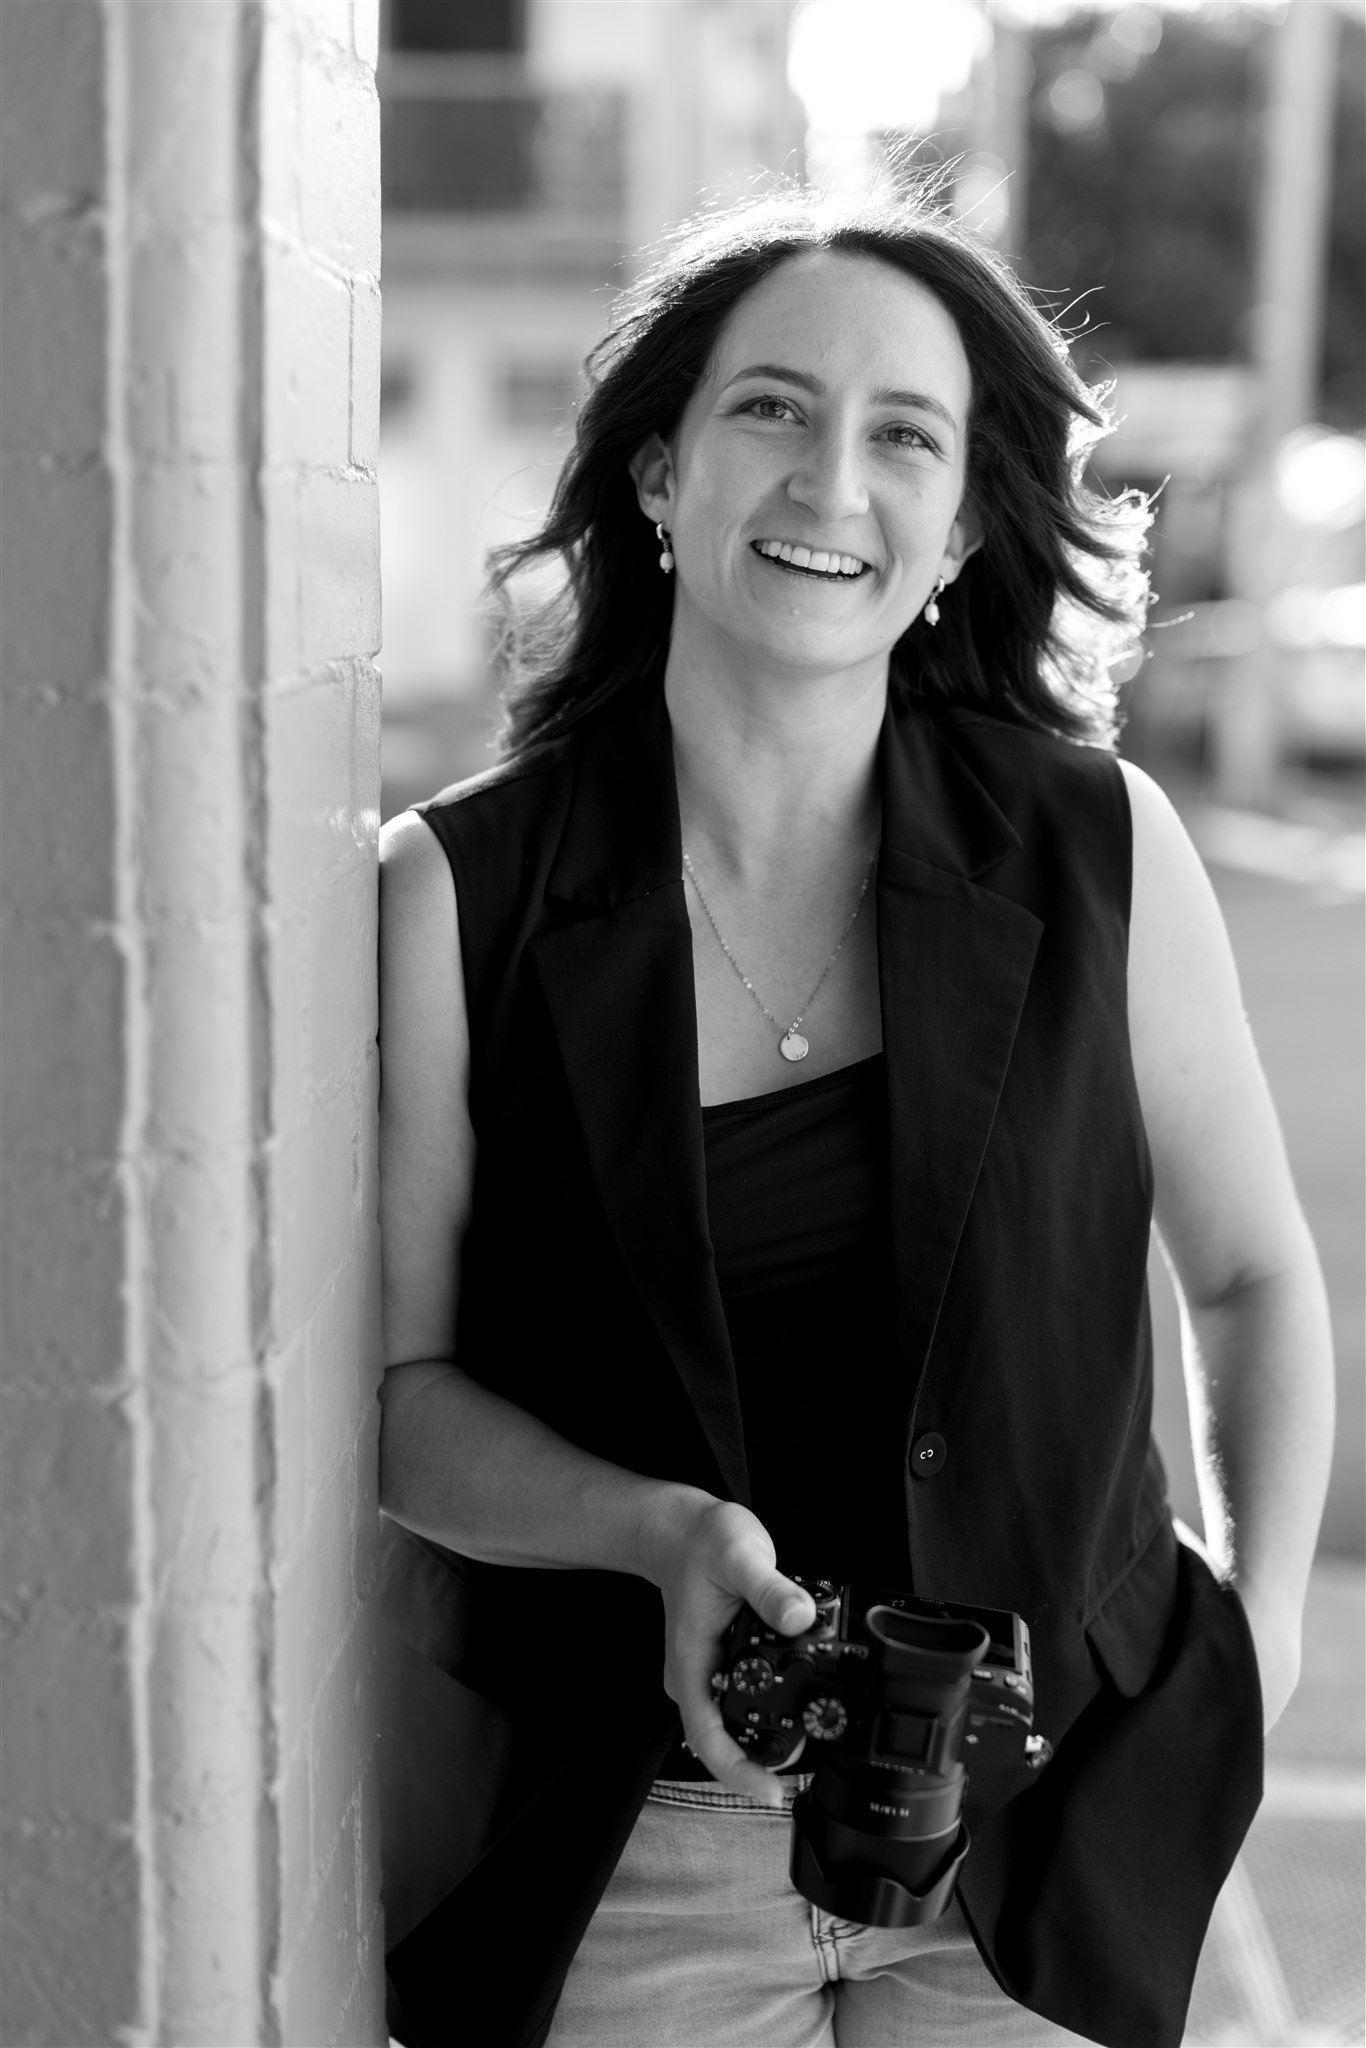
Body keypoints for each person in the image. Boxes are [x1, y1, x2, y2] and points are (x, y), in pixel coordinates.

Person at [376, 185, 1334, 2048]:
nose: (830, 480)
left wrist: (1261, 1635)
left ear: (964, 525)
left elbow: (1250, 1273)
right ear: (657, 476)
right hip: (637, 1855)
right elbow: (401, 1408)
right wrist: (651, 1532)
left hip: (1064, 1834)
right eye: (768, 409)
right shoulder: (450, 894)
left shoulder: (1096, 846)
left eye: (903, 434)